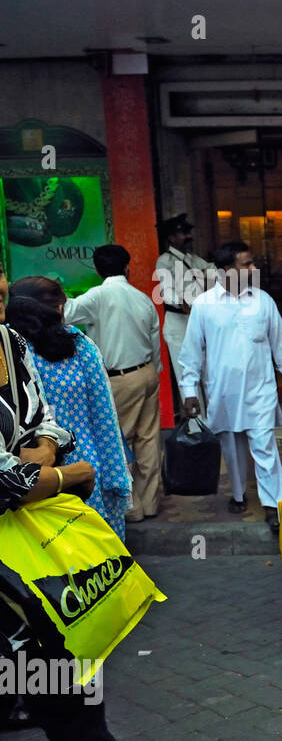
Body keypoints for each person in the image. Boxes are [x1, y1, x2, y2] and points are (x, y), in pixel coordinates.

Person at [0, 316, 178, 741]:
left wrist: (48, 451)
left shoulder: (12, 343)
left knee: (78, 716)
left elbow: (49, 423)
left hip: (33, 584)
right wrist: (70, 476)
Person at [180, 241, 282, 533]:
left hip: (260, 388)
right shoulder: (204, 305)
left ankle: (274, 505)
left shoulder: (263, 301)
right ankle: (238, 494)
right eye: (246, 264)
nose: (253, 268)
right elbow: (192, 352)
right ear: (226, 271)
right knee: (231, 446)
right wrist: (189, 390)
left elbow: (279, 343)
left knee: (264, 445)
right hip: (223, 390)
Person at [4, 295, 133, 539]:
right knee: (97, 547)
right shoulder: (78, 343)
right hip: (86, 461)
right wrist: (115, 473)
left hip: (35, 471)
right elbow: (103, 414)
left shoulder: (14, 350)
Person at [62, 244, 163, 524]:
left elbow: (66, 313)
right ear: (127, 267)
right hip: (148, 373)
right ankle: (151, 502)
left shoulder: (98, 295)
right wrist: (154, 370)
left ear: (97, 269)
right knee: (149, 440)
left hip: (119, 379)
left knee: (121, 443)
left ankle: (132, 508)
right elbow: (155, 342)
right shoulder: (142, 298)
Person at [154, 213, 211, 420]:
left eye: (188, 233)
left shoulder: (194, 259)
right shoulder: (165, 261)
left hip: (198, 323)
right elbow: (165, 289)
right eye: (183, 233)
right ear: (171, 238)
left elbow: (214, 271)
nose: (188, 237)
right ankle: (197, 428)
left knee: (207, 374)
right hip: (179, 323)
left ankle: (211, 427)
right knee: (186, 376)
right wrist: (181, 302)